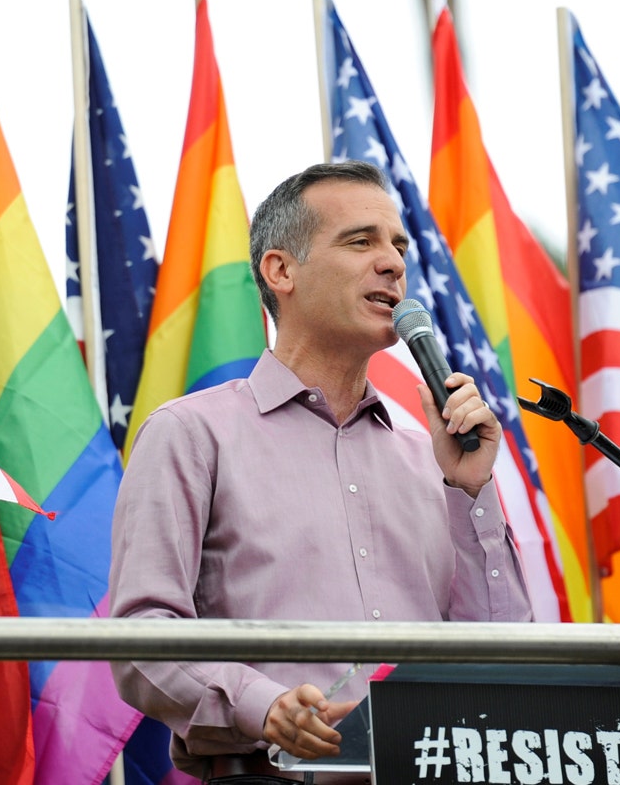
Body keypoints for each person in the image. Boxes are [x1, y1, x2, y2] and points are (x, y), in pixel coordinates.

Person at [109, 160, 533, 783]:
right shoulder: (190, 434)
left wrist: (471, 489)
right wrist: (264, 707)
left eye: (398, 246)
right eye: (361, 242)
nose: (391, 262)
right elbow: (142, 637)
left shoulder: (435, 462)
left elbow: (501, 655)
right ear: (281, 271)